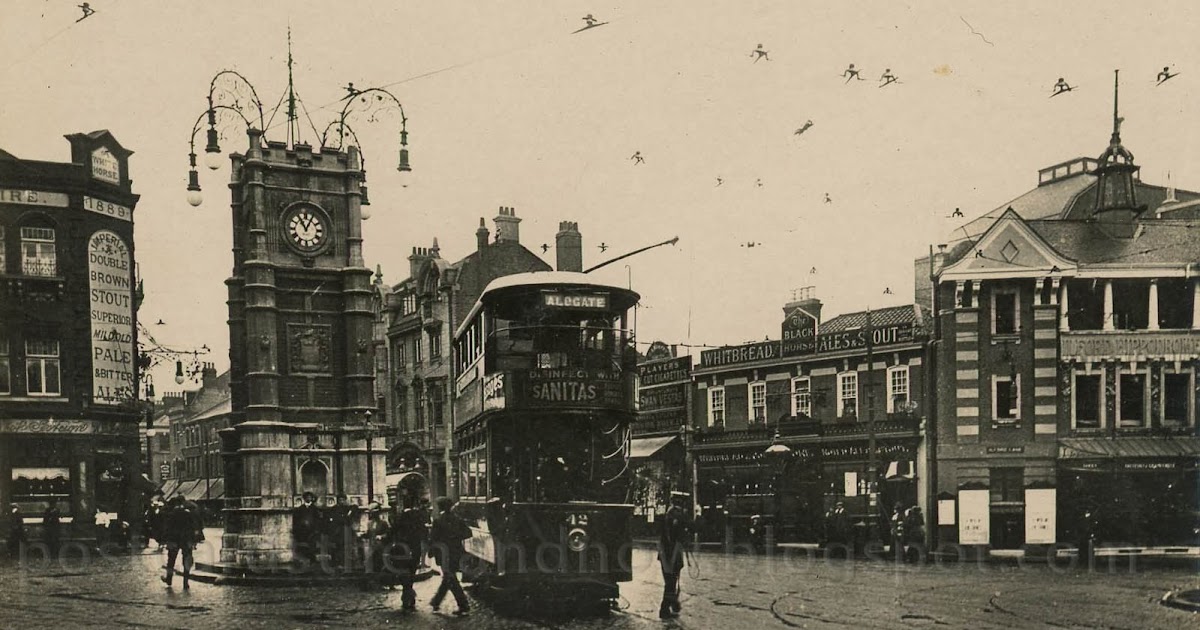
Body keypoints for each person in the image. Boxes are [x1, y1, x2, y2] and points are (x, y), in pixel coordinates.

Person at [428, 497, 470, 616]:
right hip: (456, 553)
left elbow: (433, 539)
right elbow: (468, 533)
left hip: (443, 554)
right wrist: (455, 537)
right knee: (449, 577)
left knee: (450, 578)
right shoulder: (458, 520)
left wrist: (430, 551)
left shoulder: (438, 521)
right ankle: (436, 602)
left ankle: (463, 605)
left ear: (440, 507)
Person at [390, 499, 428, 612]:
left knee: (403, 572)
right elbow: (424, 532)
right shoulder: (419, 516)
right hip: (415, 549)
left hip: (402, 549)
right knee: (411, 572)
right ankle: (409, 597)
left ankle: (407, 597)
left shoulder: (400, 516)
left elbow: (392, 531)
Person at [658, 491, 690, 619]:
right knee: (671, 582)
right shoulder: (675, 514)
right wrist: (698, 515)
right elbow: (689, 527)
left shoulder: (670, 513)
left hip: (668, 553)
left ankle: (671, 604)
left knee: (671, 581)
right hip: (671, 554)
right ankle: (665, 609)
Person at [161, 497, 203, 589]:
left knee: (171, 560)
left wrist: (165, 540)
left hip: (173, 540)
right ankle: (185, 582)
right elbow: (193, 527)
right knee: (186, 561)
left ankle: (169, 579)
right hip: (186, 540)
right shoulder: (188, 514)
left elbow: (167, 528)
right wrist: (194, 540)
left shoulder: (171, 514)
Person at [292, 492, 322, 566]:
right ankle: (306, 560)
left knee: (312, 546)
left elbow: (318, 520)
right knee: (304, 546)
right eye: (307, 497)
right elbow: (296, 520)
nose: (308, 498)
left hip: (312, 531)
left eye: (310, 497)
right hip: (303, 531)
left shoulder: (315, 509)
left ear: (312, 498)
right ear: (304, 499)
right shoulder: (300, 509)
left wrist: (316, 529)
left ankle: (312, 560)